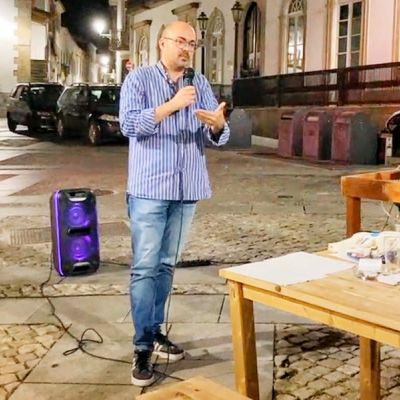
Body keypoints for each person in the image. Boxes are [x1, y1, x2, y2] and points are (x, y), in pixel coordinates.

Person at [119, 20, 230, 387]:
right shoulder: (139, 80)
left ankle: (154, 332)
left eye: (192, 43)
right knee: (145, 267)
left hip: (186, 189)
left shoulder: (200, 83)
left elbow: (217, 134)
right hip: (150, 188)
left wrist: (217, 124)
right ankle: (141, 347)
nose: (186, 48)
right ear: (162, 43)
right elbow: (128, 125)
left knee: (166, 265)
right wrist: (170, 105)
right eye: (180, 41)